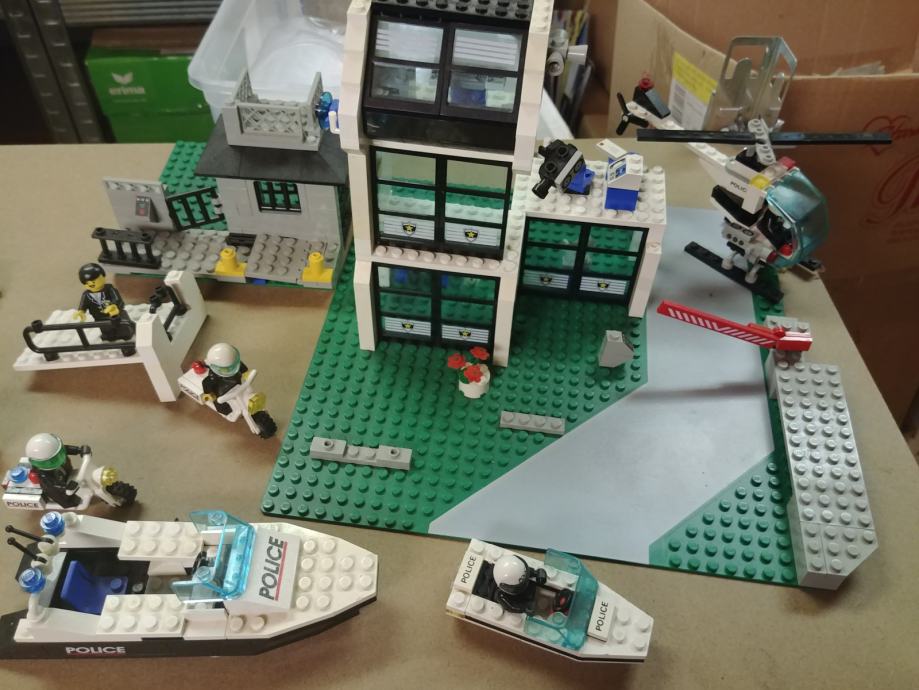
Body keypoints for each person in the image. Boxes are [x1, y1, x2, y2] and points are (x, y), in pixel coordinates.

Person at [75, 263, 134, 342]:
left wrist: (114, 306)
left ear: (103, 276)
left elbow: (117, 299)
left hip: (115, 315)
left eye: (94, 280)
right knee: (106, 330)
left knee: (123, 327)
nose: (91, 283)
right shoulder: (86, 295)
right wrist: (81, 312)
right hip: (99, 318)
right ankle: (109, 337)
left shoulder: (109, 288)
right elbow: (83, 305)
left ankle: (127, 334)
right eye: (87, 282)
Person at [24, 433, 85, 509]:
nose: (60, 457)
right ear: (41, 463)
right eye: (53, 460)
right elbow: (52, 484)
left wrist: (78, 450)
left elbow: (65, 449)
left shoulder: (56, 451)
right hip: (57, 490)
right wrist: (65, 487)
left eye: (60, 454)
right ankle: (69, 503)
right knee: (65, 498)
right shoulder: (44, 475)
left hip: (65, 474)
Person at [201, 343, 249, 416]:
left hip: (237, 383)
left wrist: (246, 373)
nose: (232, 368)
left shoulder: (236, 363)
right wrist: (209, 395)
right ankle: (227, 411)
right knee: (220, 404)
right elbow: (207, 387)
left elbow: (243, 369)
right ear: (216, 368)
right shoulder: (212, 378)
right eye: (227, 368)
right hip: (224, 391)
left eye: (234, 364)